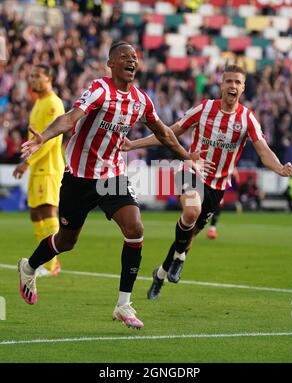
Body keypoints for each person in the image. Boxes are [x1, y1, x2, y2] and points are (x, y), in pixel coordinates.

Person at [17, 42, 211, 330]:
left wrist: (187, 156)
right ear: (111, 63)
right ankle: (29, 267)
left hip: (111, 176)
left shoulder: (141, 100)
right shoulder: (99, 90)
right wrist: (42, 138)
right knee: (66, 242)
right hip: (79, 177)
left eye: (135, 57)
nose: (131, 60)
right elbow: (70, 119)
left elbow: (164, 133)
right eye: (125, 56)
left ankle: (123, 304)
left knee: (135, 228)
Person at [123, 64, 292, 300]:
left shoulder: (247, 119)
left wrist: (279, 168)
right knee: (191, 212)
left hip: (218, 186)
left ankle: (161, 274)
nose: (233, 86)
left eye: (237, 82)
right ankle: (179, 259)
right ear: (221, 85)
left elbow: (263, 150)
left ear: (243, 88)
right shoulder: (204, 109)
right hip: (192, 171)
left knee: (188, 238)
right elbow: (169, 132)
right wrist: (133, 144)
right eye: (229, 81)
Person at [13, 64, 65, 277]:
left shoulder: (53, 104)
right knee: (35, 212)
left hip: (49, 167)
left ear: (50, 78)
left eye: (38, 76)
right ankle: (46, 260)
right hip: (37, 166)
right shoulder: (39, 103)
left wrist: (27, 162)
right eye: (31, 76)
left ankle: (51, 265)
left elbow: (50, 142)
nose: (33, 80)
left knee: (47, 211)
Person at [207, 167, 240, 239]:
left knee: (218, 204)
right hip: (205, 180)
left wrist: (234, 172)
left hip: (218, 184)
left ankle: (212, 229)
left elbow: (236, 178)